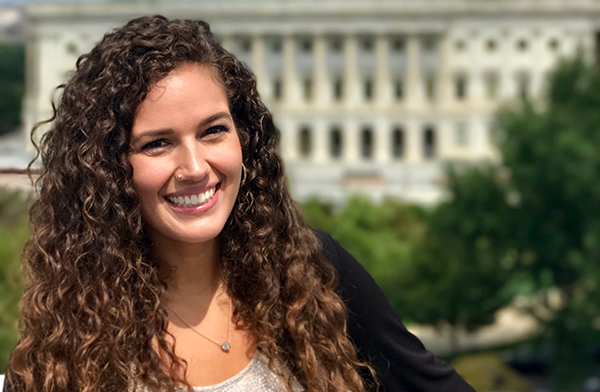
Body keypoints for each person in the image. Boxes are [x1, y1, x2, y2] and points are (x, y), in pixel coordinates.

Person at [4, 15, 474, 392]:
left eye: (213, 131)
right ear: (105, 167)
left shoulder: (313, 271)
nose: (194, 167)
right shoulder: (71, 337)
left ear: (243, 136)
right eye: (156, 144)